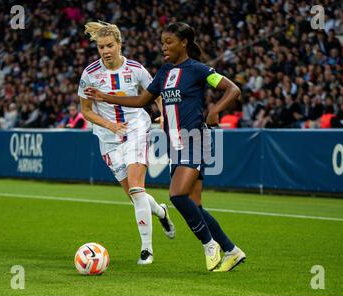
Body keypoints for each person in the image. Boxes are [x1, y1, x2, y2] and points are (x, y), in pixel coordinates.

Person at [84, 22, 245, 272]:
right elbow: (141, 100)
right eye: (162, 42)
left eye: (169, 42)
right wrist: (105, 97)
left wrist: (215, 109)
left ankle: (209, 244)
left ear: (184, 43)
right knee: (196, 206)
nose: (163, 47)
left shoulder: (199, 70)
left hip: (194, 138)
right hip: (175, 143)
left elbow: (233, 89)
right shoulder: (165, 72)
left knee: (177, 195)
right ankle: (232, 251)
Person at [77, 21, 175, 265]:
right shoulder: (90, 74)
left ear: (119, 44)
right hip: (108, 138)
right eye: (101, 47)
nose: (105, 51)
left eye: (110, 45)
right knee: (134, 196)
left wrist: (163, 114)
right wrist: (109, 126)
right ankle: (161, 212)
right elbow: (86, 111)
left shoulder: (136, 69)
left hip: (137, 130)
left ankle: (147, 250)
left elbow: (156, 94)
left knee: (135, 187)